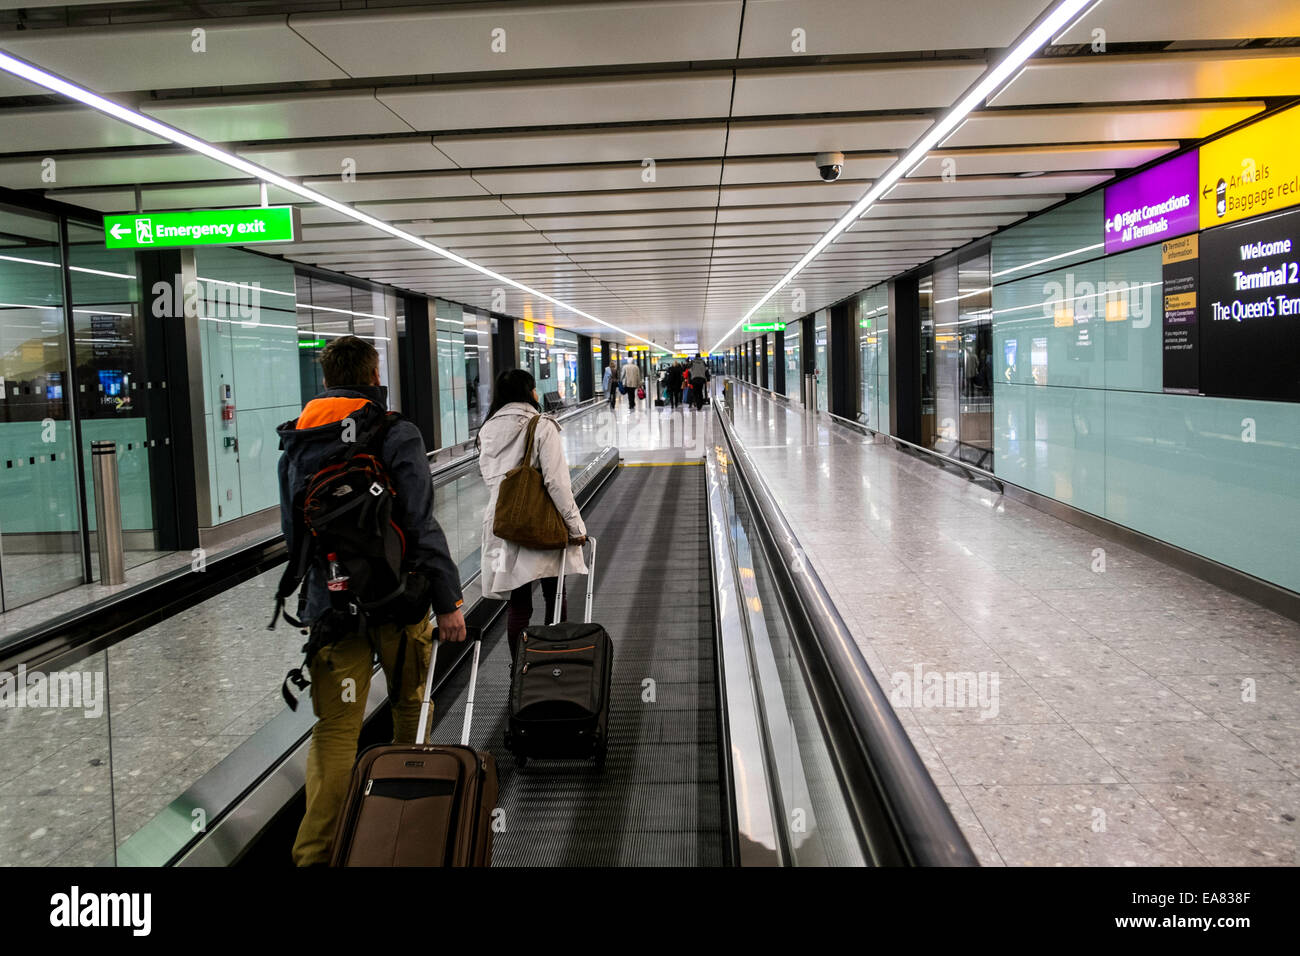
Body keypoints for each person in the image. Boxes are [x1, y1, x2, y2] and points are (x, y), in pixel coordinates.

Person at [277, 335, 467, 867]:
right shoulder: (395, 431)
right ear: (374, 373)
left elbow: (296, 536)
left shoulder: (297, 439)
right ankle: (406, 833)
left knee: (336, 731)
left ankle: (315, 854)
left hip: (332, 607)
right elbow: (419, 521)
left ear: (325, 378)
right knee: (410, 706)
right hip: (399, 598)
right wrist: (448, 598)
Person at [477, 369, 588, 658]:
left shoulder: (487, 429)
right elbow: (557, 483)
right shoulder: (541, 425)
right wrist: (576, 527)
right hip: (540, 522)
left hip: (504, 524)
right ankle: (556, 663)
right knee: (554, 594)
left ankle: (521, 672)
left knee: (519, 604)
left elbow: (491, 478)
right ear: (528, 392)